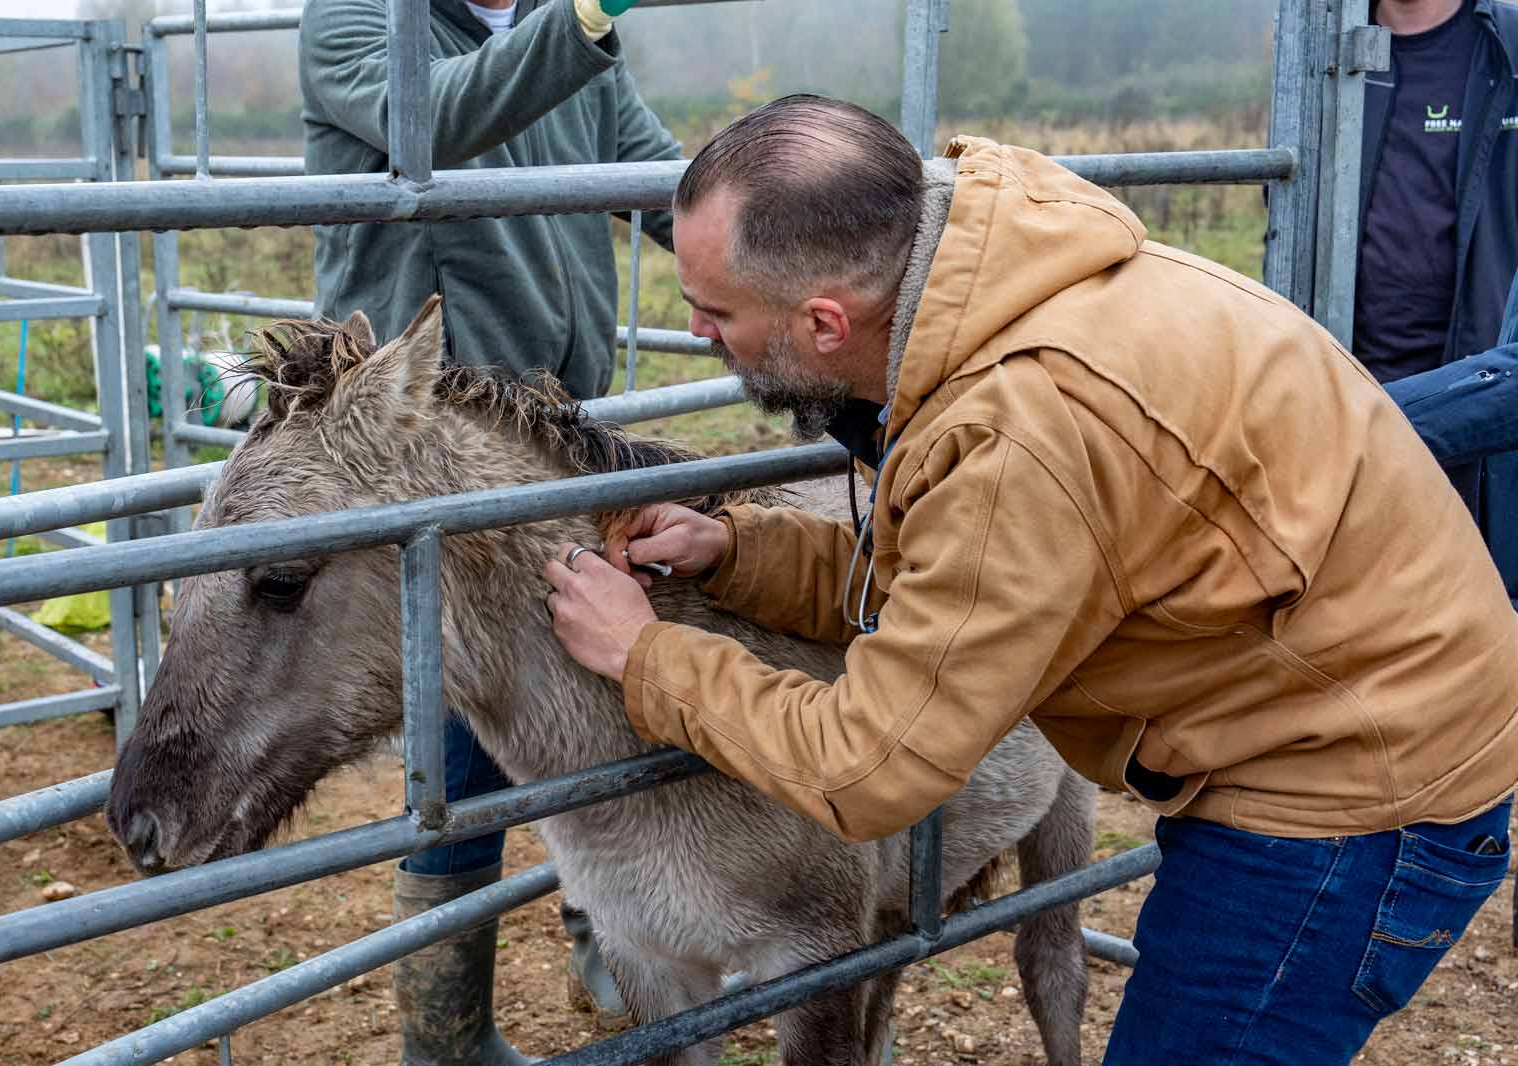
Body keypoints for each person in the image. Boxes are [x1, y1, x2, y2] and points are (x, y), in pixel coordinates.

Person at [542, 95, 1518, 1063]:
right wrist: (740, 552)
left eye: (715, 312)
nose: (702, 333)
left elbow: (871, 766)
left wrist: (646, 655)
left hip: (1350, 796)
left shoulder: (1017, 428)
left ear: (825, 322)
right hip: (1348, 713)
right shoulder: (995, 283)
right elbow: (957, 576)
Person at [300, 0, 677, 1059]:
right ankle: (448, 1031)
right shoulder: (359, 19)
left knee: (589, 691)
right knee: (465, 727)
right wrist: (584, 17)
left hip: (554, 432)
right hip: (436, 442)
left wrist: (768, 223)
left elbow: (655, 172)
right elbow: (433, 122)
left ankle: (607, 939)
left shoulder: (571, 31)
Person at [1355, 0, 1518, 605]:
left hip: (1481, 407)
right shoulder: (1325, 54)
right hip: (1347, 392)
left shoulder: (1509, 47)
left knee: (1471, 625)